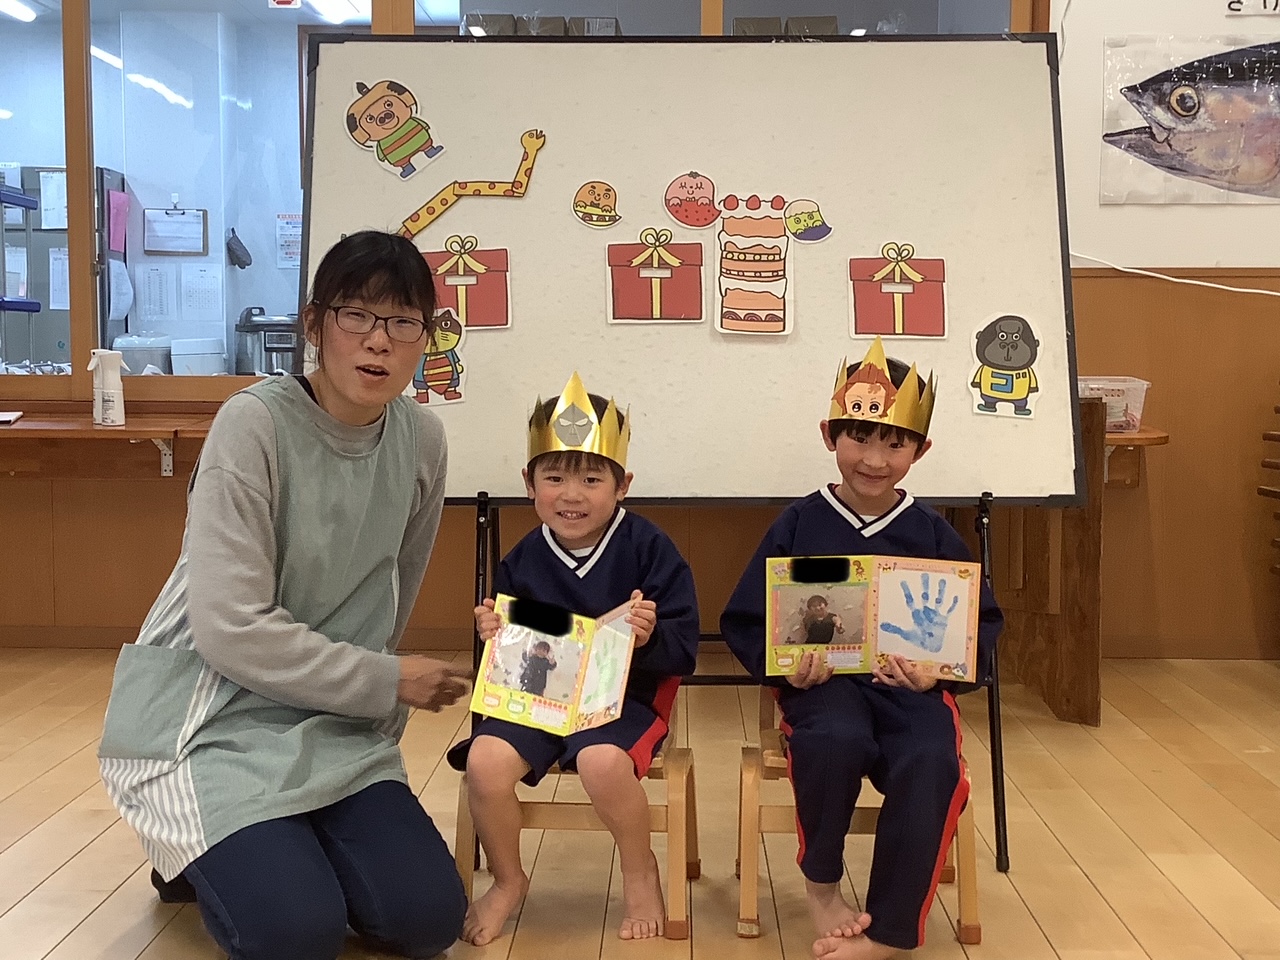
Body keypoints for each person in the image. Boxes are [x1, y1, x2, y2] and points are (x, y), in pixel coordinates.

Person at [97, 231, 472, 960]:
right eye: (356, 315)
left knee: (427, 918)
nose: (379, 341)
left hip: (331, 723)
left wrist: (372, 698)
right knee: (294, 934)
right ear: (313, 325)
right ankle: (199, 853)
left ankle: (272, 844)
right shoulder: (255, 423)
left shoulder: (422, 439)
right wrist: (386, 681)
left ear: (424, 339)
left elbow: (394, 592)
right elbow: (229, 630)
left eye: (403, 323)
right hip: (209, 716)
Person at [721, 337, 1003, 960]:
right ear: (830, 436)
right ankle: (822, 885)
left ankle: (891, 931)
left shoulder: (935, 534)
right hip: (826, 688)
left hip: (911, 689)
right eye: (859, 437)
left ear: (920, 450)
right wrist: (787, 670)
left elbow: (980, 622)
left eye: (894, 443)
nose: (874, 459)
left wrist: (938, 675)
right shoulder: (798, 523)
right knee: (833, 739)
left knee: (930, 758)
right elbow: (745, 617)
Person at [447, 372, 699, 945]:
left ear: (622, 485)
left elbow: (683, 646)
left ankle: (639, 872)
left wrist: (647, 637)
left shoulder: (650, 548)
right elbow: (506, 663)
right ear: (529, 483)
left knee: (601, 763)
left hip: (623, 703)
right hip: (535, 701)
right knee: (485, 762)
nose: (572, 495)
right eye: (554, 477)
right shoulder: (523, 558)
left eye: (591, 478)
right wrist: (493, 633)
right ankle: (508, 880)